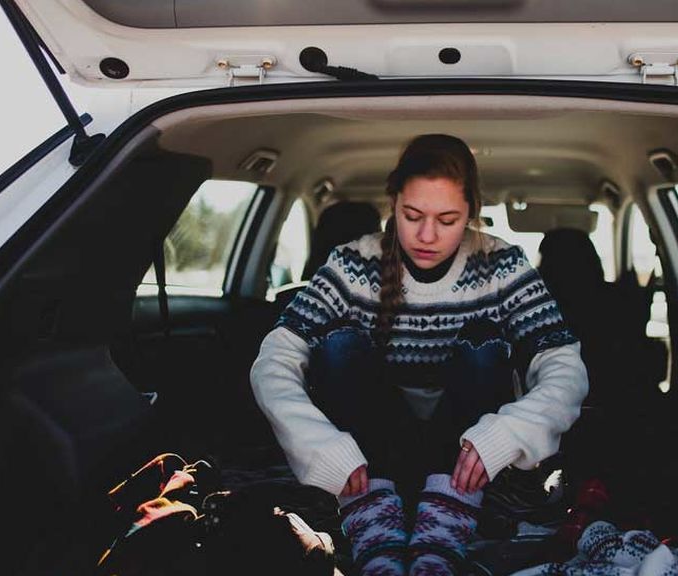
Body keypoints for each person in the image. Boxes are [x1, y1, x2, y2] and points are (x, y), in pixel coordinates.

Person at [250, 134, 589, 576]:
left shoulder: (503, 265)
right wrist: (318, 445)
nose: (427, 236)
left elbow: (563, 366)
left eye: (448, 219)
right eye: (412, 216)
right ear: (393, 203)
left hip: (468, 455)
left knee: (485, 343)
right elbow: (274, 360)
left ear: (471, 211)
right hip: (369, 453)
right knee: (335, 346)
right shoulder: (351, 265)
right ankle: (369, 514)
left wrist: (510, 434)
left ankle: (449, 518)